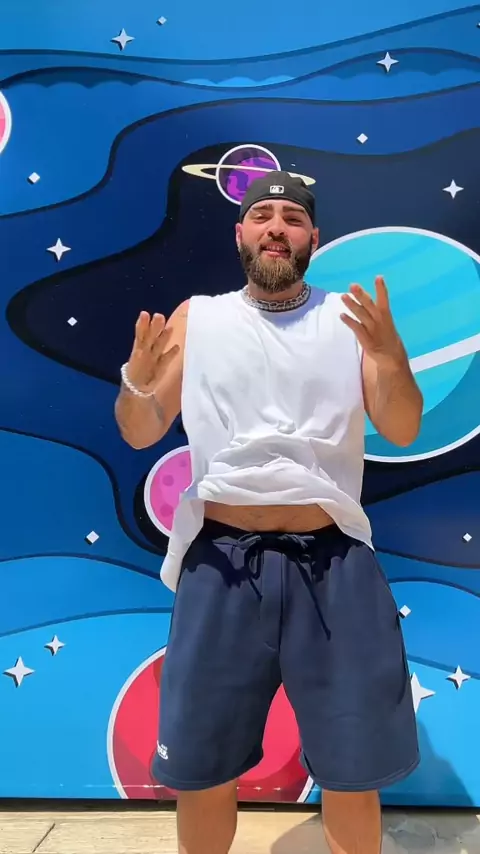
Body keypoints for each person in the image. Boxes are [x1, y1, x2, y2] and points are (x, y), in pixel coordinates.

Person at [115, 172, 423, 854]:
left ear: (312, 236)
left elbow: (402, 427)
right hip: (222, 563)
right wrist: (136, 381)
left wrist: (388, 355)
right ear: (240, 233)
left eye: (291, 217)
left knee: (353, 771)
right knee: (202, 770)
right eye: (262, 215)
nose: (276, 227)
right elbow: (141, 429)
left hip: (333, 562)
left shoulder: (349, 319)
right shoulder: (199, 318)